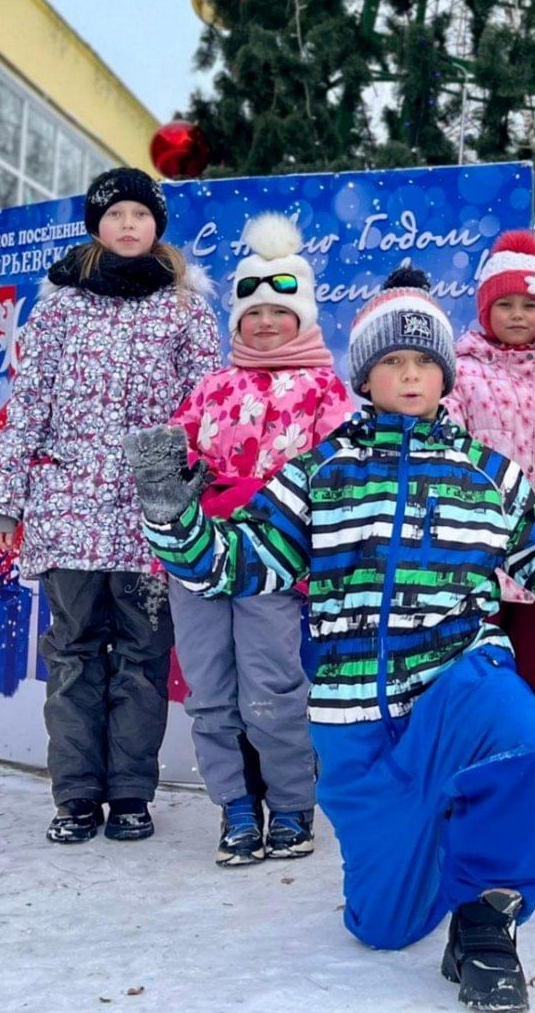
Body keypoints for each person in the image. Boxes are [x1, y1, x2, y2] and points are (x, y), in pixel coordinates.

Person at [131, 267, 535, 1013]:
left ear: (445, 375)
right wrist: (171, 515)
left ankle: (487, 921)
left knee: (531, 736)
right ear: (366, 378)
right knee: (383, 927)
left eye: (424, 362)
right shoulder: (320, 472)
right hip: (356, 724)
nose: (410, 375)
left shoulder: (488, 474)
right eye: (393, 363)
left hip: (458, 681)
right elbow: (234, 564)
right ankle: (439, 839)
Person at [0, 167, 219, 846]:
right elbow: (27, 406)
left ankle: (131, 797)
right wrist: (6, 500)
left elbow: (205, 413)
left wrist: (197, 496)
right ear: (96, 227)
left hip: (152, 518)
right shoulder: (59, 305)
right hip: (70, 508)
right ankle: (77, 796)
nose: (128, 226)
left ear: (156, 227)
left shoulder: (185, 309)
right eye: (115, 216)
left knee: (144, 658)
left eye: (140, 216)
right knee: (76, 655)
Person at [169, 213, 353, 865]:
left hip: (274, 561)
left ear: (303, 317)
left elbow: (342, 478)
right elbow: (176, 461)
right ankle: (236, 809)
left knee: (273, 689)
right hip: (199, 559)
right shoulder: (212, 388)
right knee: (210, 692)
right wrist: (172, 485)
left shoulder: (326, 392)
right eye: (254, 314)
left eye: (281, 311)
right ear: (236, 323)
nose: (267, 323)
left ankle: (293, 806)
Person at [451, 230, 535, 708]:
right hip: (475, 561)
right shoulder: (460, 374)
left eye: (528, 305)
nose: (517, 315)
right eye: (504, 304)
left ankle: (524, 766)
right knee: (473, 677)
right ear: (485, 309)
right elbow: (444, 459)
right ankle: (475, 771)